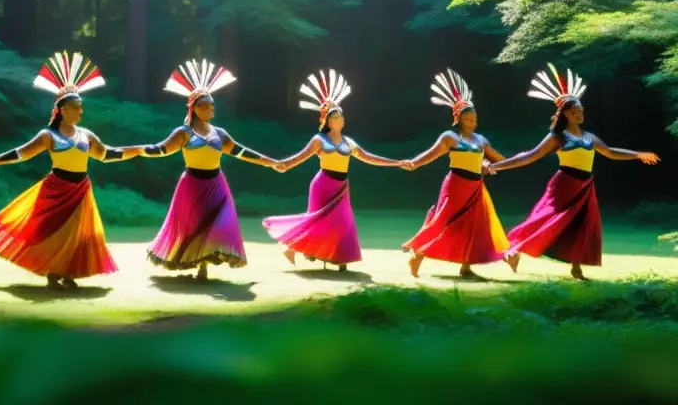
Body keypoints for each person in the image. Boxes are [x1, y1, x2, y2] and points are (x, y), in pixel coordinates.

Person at [0, 52, 141, 290]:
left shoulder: (87, 135)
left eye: (80, 107)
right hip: (56, 188)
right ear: (62, 110)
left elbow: (106, 155)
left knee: (76, 232)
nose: (80, 111)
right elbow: (22, 153)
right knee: (52, 231)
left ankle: (68, 272)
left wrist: (135, 150)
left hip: (81, 188)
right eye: (75, 107)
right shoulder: (48, 136)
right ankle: (53, 271)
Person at [492, 64, 660, 280]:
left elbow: (609, 152)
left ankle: (577, 268)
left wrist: (637, 154)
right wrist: (497, 165)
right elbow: (530, 155)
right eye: (575, 111)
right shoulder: (558, 137)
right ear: (565, 113)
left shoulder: (589, 137)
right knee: (546, 221)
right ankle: (514, 252)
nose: (580, 113)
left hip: (585, 185)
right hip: (564, 185)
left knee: (583, 224)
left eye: (581, 110)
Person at [139, 60, 282, 281]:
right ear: (194, 108)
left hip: (216, 184)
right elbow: (161, 150)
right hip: (192, 185)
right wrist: (137, 150)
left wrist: (270, 161)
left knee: (220, 222)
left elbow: (241, 152)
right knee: (194, 224)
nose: (211, 109)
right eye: (206, 105)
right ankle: (200, 265)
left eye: (212, 105)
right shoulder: (184, 133)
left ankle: (206, 262)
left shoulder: (220, 134)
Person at [263, 69, 403, 270]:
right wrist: (283, 165)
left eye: (342, 116)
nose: (341, 119)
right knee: (318, 223)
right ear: (327, 121)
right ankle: (295, 248)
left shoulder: (349, 142)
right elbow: (300, 157)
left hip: (341, 187)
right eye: (336, 116)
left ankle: (339, 258)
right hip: (323, 185)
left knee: (344, 223)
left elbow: (369, 158)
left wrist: (396, 163)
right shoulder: (319, 140)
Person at [401, 69, 509, 278]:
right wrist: (414, 163)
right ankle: (417, 256)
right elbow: (431, 154)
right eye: (468, 118)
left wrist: (507, 162)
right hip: (456, 185)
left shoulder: (480, 140)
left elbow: (498, 159)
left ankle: (466, 267)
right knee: (443, 221)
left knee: (474, 226)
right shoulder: (450, 137)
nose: (472, 122)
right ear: (458, 119)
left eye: (474, 118)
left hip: (476, 186)